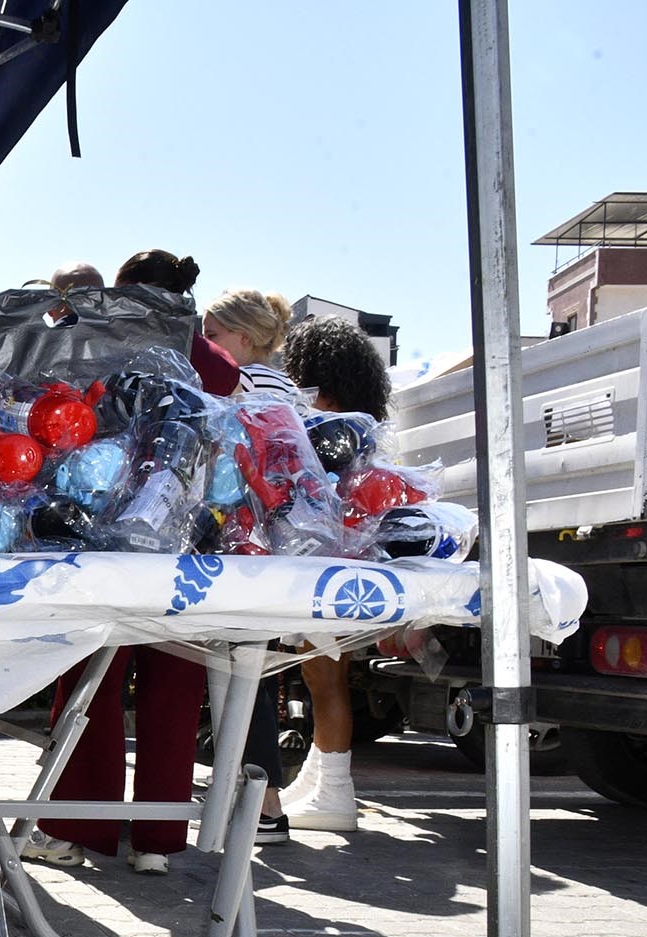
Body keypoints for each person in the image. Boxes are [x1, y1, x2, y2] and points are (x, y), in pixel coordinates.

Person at [22, 250, 221, 875]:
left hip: (109, 532)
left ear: (125, 290)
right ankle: (157, 844)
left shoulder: (106, 338)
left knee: (91, 681)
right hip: (193, 540)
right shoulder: (216, 359)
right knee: (176, 684)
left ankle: (78, 830)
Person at [276, 316, 395, 833]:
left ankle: (336, 792)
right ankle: (320, 780)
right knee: (321, 673)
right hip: (348, 558)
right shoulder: (363, 422)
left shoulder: (328, 423)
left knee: (325, 676)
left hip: (329, 559)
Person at [201, 288, 304, 843]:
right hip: (280, 542)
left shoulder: (247, 387)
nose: (210, 349)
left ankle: (264, 805)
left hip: (247, 541)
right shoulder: (288, 389)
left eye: (215, 337)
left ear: (242, 338)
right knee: (249, 672)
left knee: (241, 674)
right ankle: (257, 799)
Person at [111, 249, 241, 399]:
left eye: (116, 296)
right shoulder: (221, 362)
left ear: (137, 292)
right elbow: (237, 417)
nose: (112, 307)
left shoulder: (107, 351)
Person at [204, 288, 300, 399]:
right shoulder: (290, 385)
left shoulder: (238, 379)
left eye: (211, 335)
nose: (205, 342)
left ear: (245, 337)